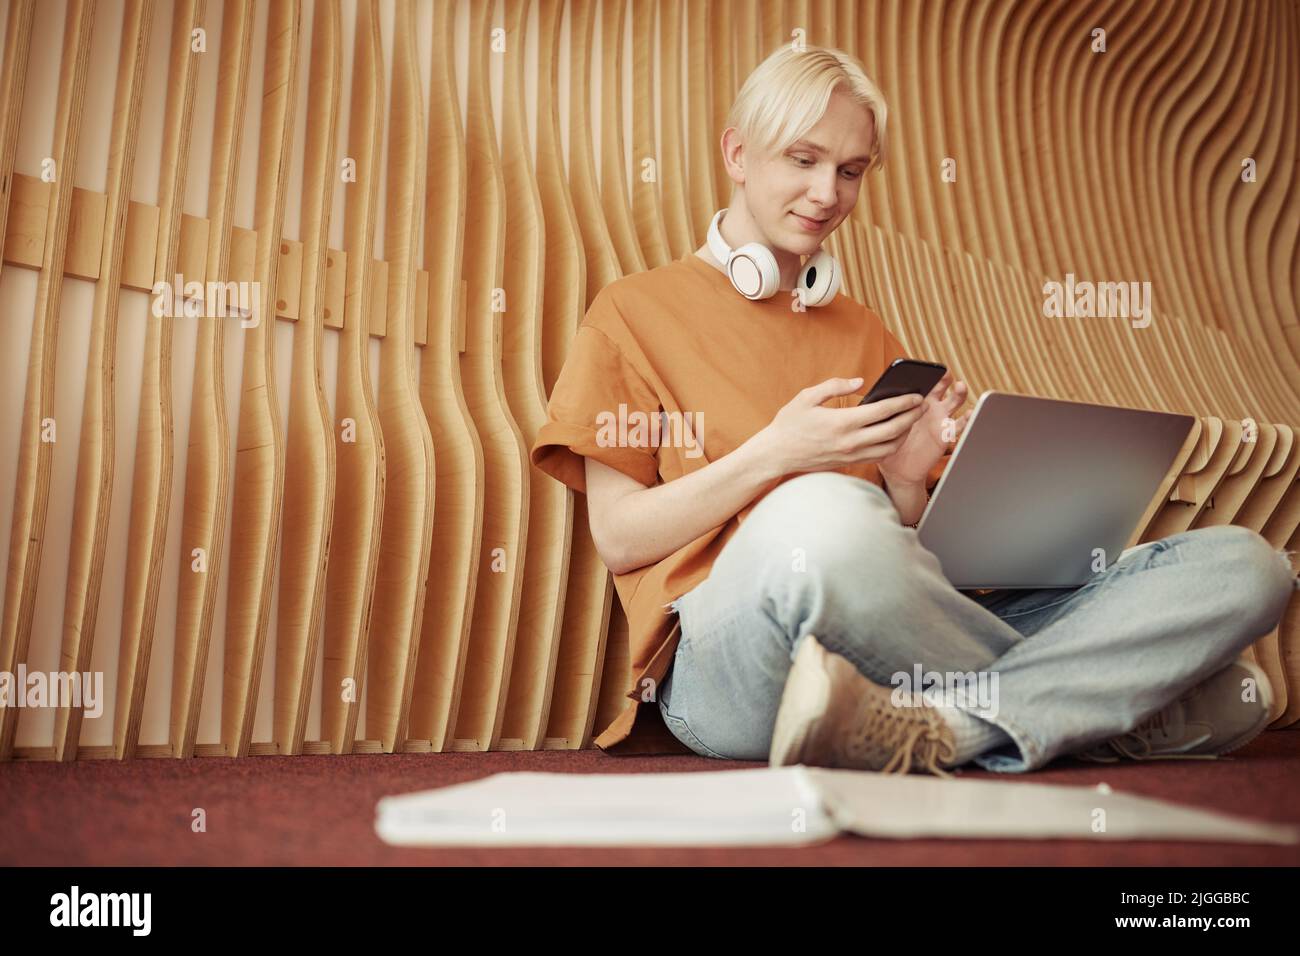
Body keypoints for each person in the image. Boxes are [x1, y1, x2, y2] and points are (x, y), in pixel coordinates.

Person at [529, 44, 1299, 775]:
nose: (827, 194)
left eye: (851, 170)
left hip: (895, 651)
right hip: (734, 668)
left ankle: (956, 726)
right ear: (738, 155)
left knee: (1245, 567)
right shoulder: (631, 312)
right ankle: (1092, 710)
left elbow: (896, 566)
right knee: (819, 511)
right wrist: (778, 455)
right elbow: (623, 540)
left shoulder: (865, 330)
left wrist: (903, 485)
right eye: (803, 159)